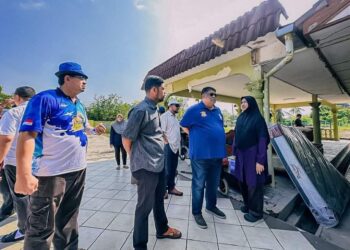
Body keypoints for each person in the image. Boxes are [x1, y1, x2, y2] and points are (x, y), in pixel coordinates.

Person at [14, 62, 106, 250]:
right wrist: (24, 174)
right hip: (51, 174)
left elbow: (81, 127)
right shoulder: (44, 99)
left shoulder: (79, 105)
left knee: (69, 222)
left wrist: (94, 130)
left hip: (78, 170)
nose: (85, 82)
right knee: (41, 229)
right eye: (82, 78)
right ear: (67, 78)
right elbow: (27, 135)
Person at [122, 75, 182, 250]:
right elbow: (126, 138)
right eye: (163, 88)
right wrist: (136, 158)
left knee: (158, 201)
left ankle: (162, 229)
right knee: (144, 207)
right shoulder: (140, 110)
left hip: (158, 164)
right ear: (154, 90)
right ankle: (140, 245)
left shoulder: (155, 109)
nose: (165, 91)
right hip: (146, 166)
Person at [180, 86, 227, 229]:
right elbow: (183, 125)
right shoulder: (194, 110)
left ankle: (211, 207)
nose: (214, 96)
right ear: (203, 96)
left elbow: (220, 130)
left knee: (213, 184)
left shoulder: (218, 111)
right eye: (211, 94)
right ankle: (196, 212)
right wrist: (196, 136)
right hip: (200, 156)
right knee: (199, 185)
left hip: (216, 156)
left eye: (215, 94)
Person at [0, 86, 35, 243]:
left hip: (15, 161)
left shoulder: (13, 113)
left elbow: (6, 139)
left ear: (17, 97)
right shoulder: (40, 111)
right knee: (33, 196)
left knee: (20, 197)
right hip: (38, 161)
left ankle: (24, 230)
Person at [233, 96, 270, 223]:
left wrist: (260, 161)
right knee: (242, 180)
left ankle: (256, 212)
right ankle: (248, 205)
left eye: (245, 102)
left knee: (254, 183)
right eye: (241, 102)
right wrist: (234, 151)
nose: (243, 104)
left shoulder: (258, 119)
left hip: (253, 155)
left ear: (252, 104)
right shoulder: (241, 117)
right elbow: (236, 135)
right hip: (241, 155)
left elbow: (263, 140)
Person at [161, 99, 183, 199]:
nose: (178, 107)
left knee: (173, 169)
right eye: (176, 105)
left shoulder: (175, 118)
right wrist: (166, 142)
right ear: (170, 106)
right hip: (169, 146)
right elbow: (161, 131)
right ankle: (163, 190)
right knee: (167, 169)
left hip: (175, 146)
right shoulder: (165, 116)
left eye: (178, 106)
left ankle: (171, 188)